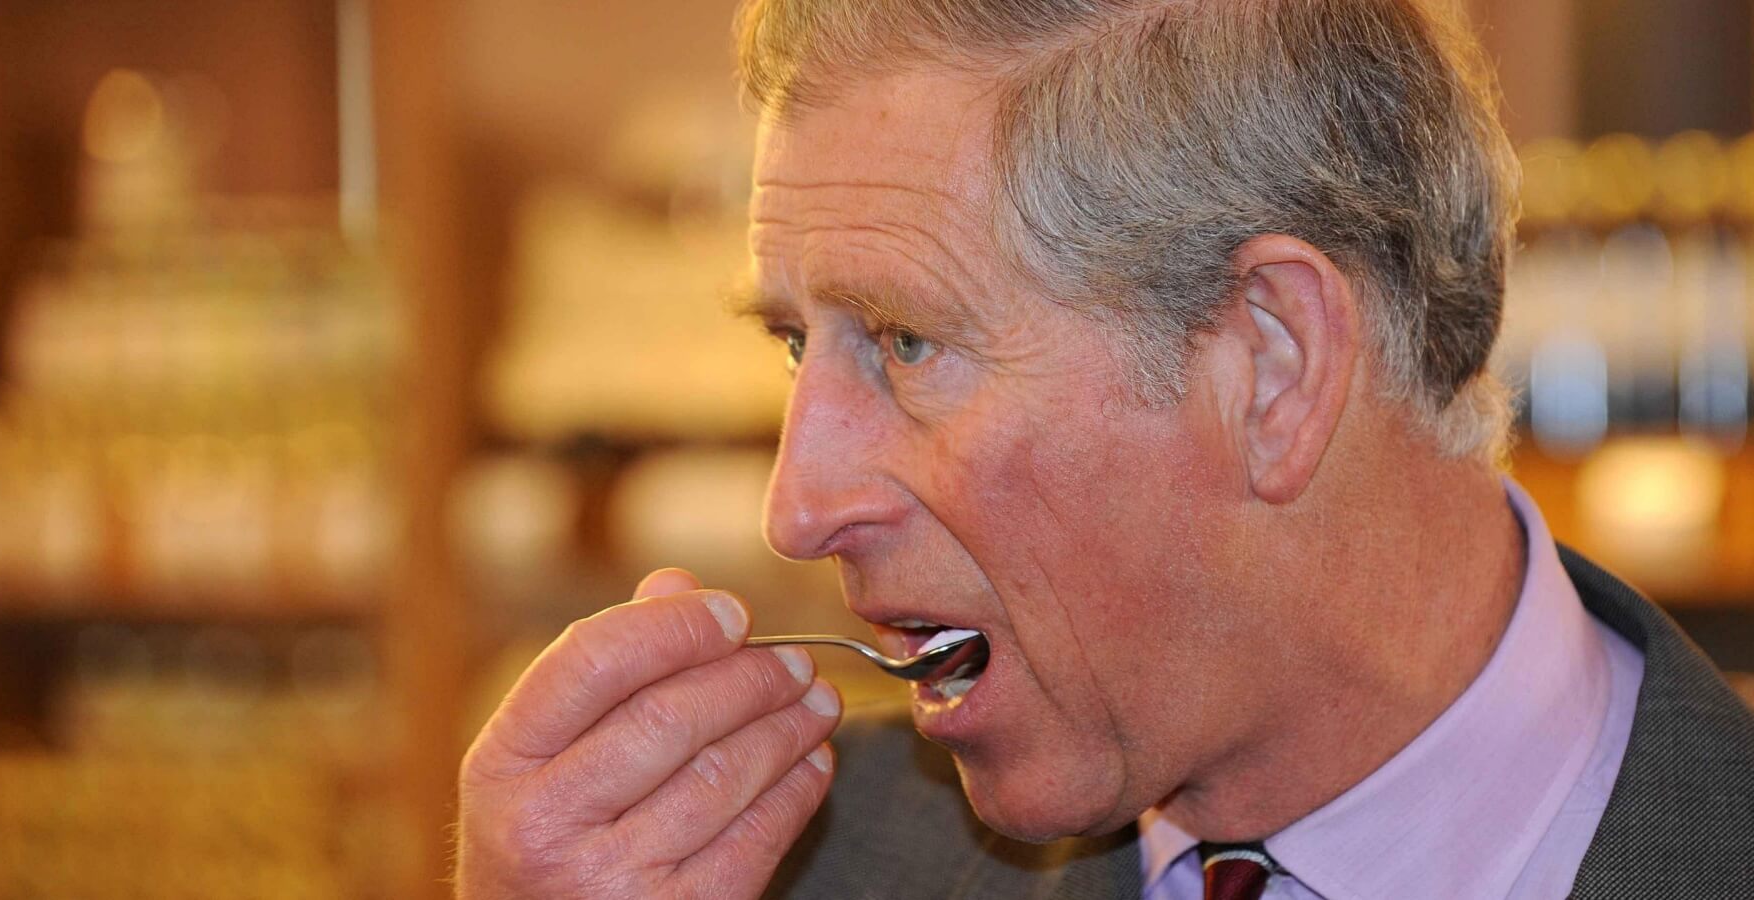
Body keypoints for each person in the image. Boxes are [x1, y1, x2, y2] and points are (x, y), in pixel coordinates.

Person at [455, 0, 1754, 896]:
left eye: (907, 343)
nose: (795, 508)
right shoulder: (786, 872)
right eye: (801, 345)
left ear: (1273, 364)